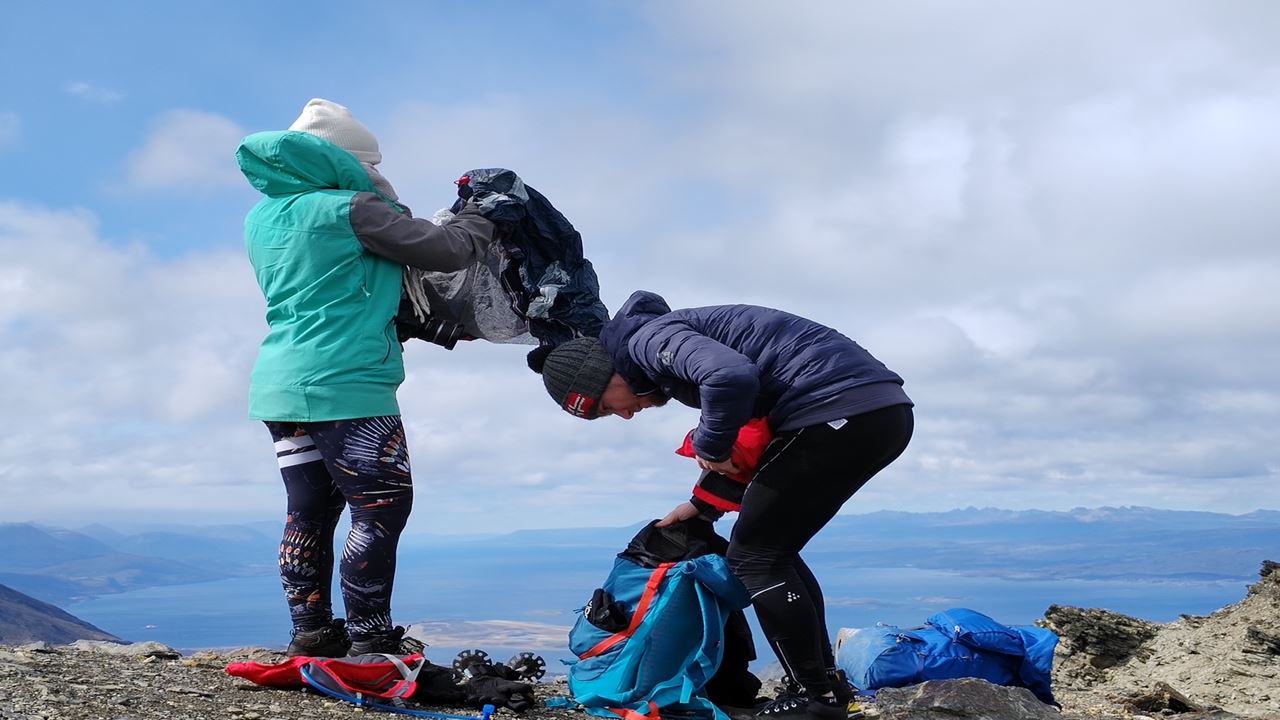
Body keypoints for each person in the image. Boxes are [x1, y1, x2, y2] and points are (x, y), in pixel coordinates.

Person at [532, 290, 914, 720]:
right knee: (773, 550)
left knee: (755, 557)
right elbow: (753, 428)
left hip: (838, 409)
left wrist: (710, 446)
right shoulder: (655, 345)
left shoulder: (644, 341)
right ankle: (823, 688)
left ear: (606, 375)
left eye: (605, 407)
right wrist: (702, 505)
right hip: (870, 412)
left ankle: (814, 700)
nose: (624, 415)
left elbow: (731, 378)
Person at [236, 99, 495, 657]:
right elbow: (447, 250)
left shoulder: (261, 217)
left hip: (280, 383)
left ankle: (311, 633)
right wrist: (484, 214)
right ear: (346, 161)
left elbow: (345, 285)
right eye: (370, 164)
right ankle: (370, 641)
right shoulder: (350, 207)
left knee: (308, 511)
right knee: (380, 507)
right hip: (347, 382)